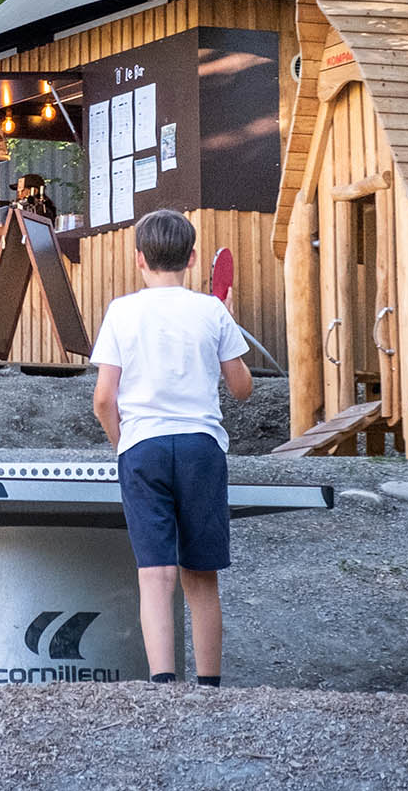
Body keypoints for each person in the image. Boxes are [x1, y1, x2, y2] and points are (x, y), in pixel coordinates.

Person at [91, 208, 253, 688]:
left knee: (155, 575)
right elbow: (241, 388)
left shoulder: (122, 310)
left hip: (143, 446)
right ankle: (209, 686)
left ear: (139, 259)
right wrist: (229, 324)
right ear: (194, 257)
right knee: (200, 575)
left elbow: (103, 398)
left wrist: (124, 446)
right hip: (202, 447)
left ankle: (163, 685)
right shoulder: (212, 310)